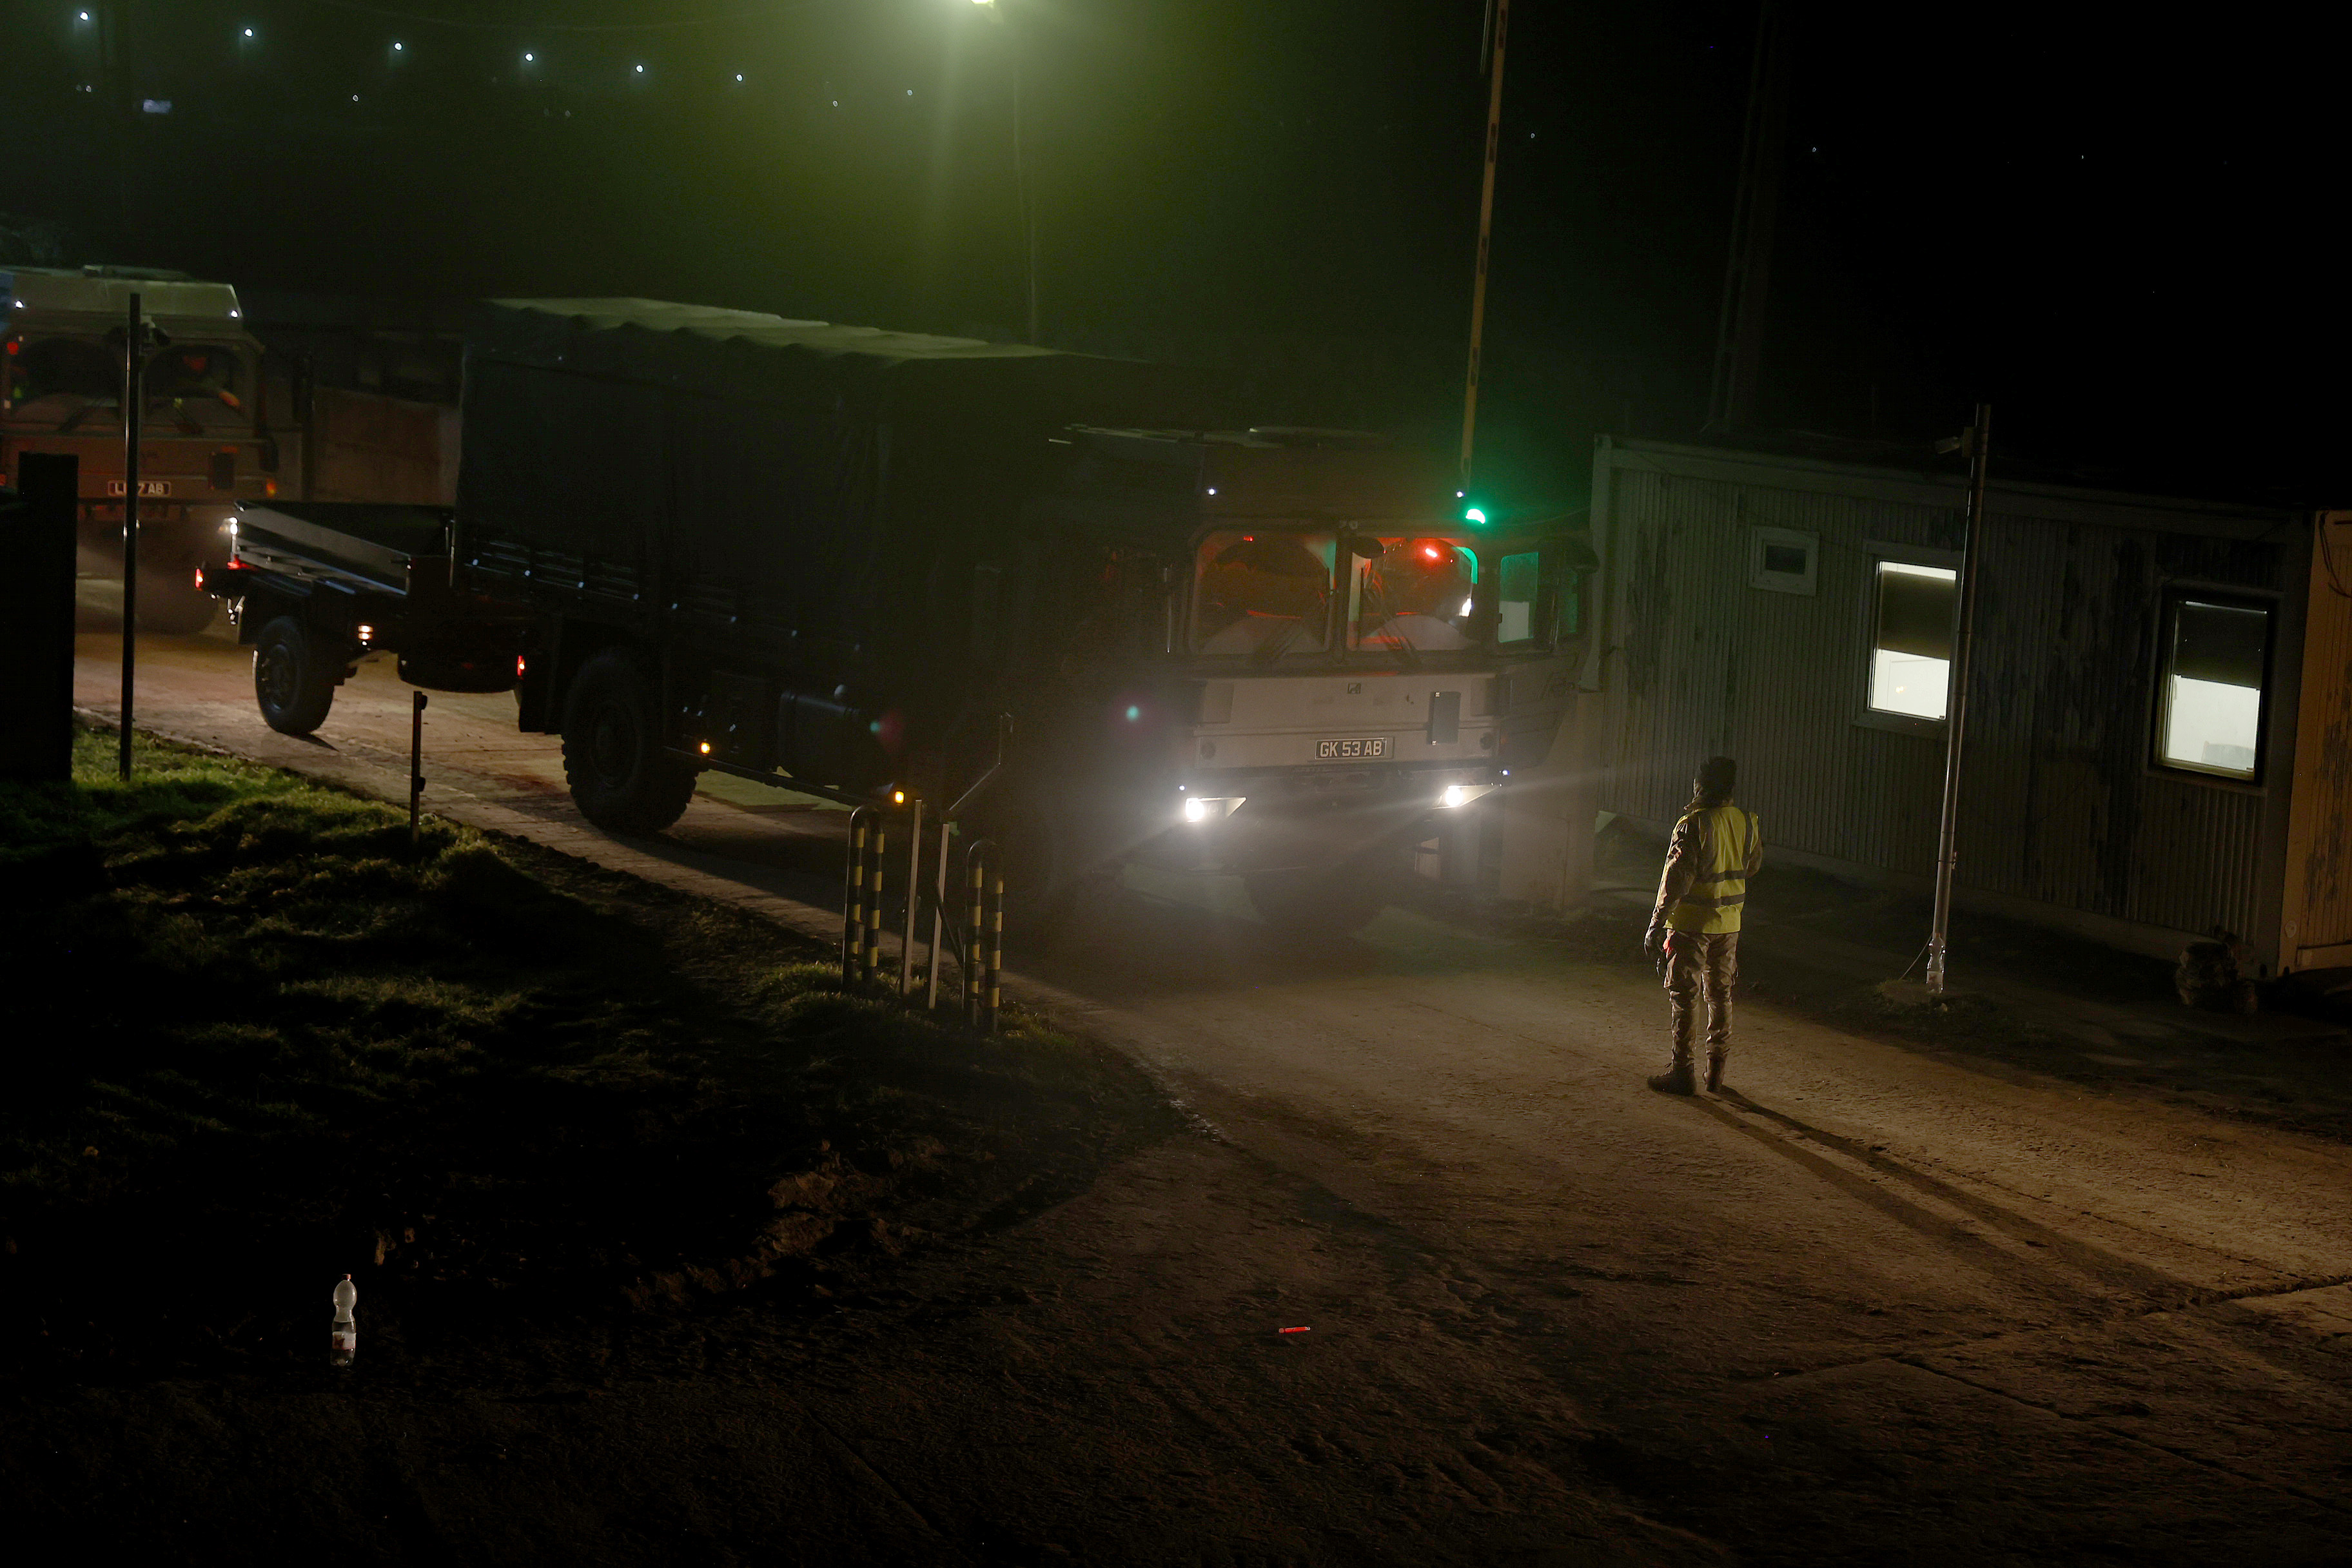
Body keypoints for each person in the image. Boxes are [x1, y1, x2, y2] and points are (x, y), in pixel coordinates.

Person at [1642, 756, 1761, 1095]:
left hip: (1692, 925)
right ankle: (1716, 1073)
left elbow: (1675, 881)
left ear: (1700, 785)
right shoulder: (1747, 822)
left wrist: (1656, 923)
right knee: (1721, 995)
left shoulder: (1693, 825)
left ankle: (1682, 1072)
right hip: (1730, 924)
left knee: (1685, 996)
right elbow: (1751, 868)